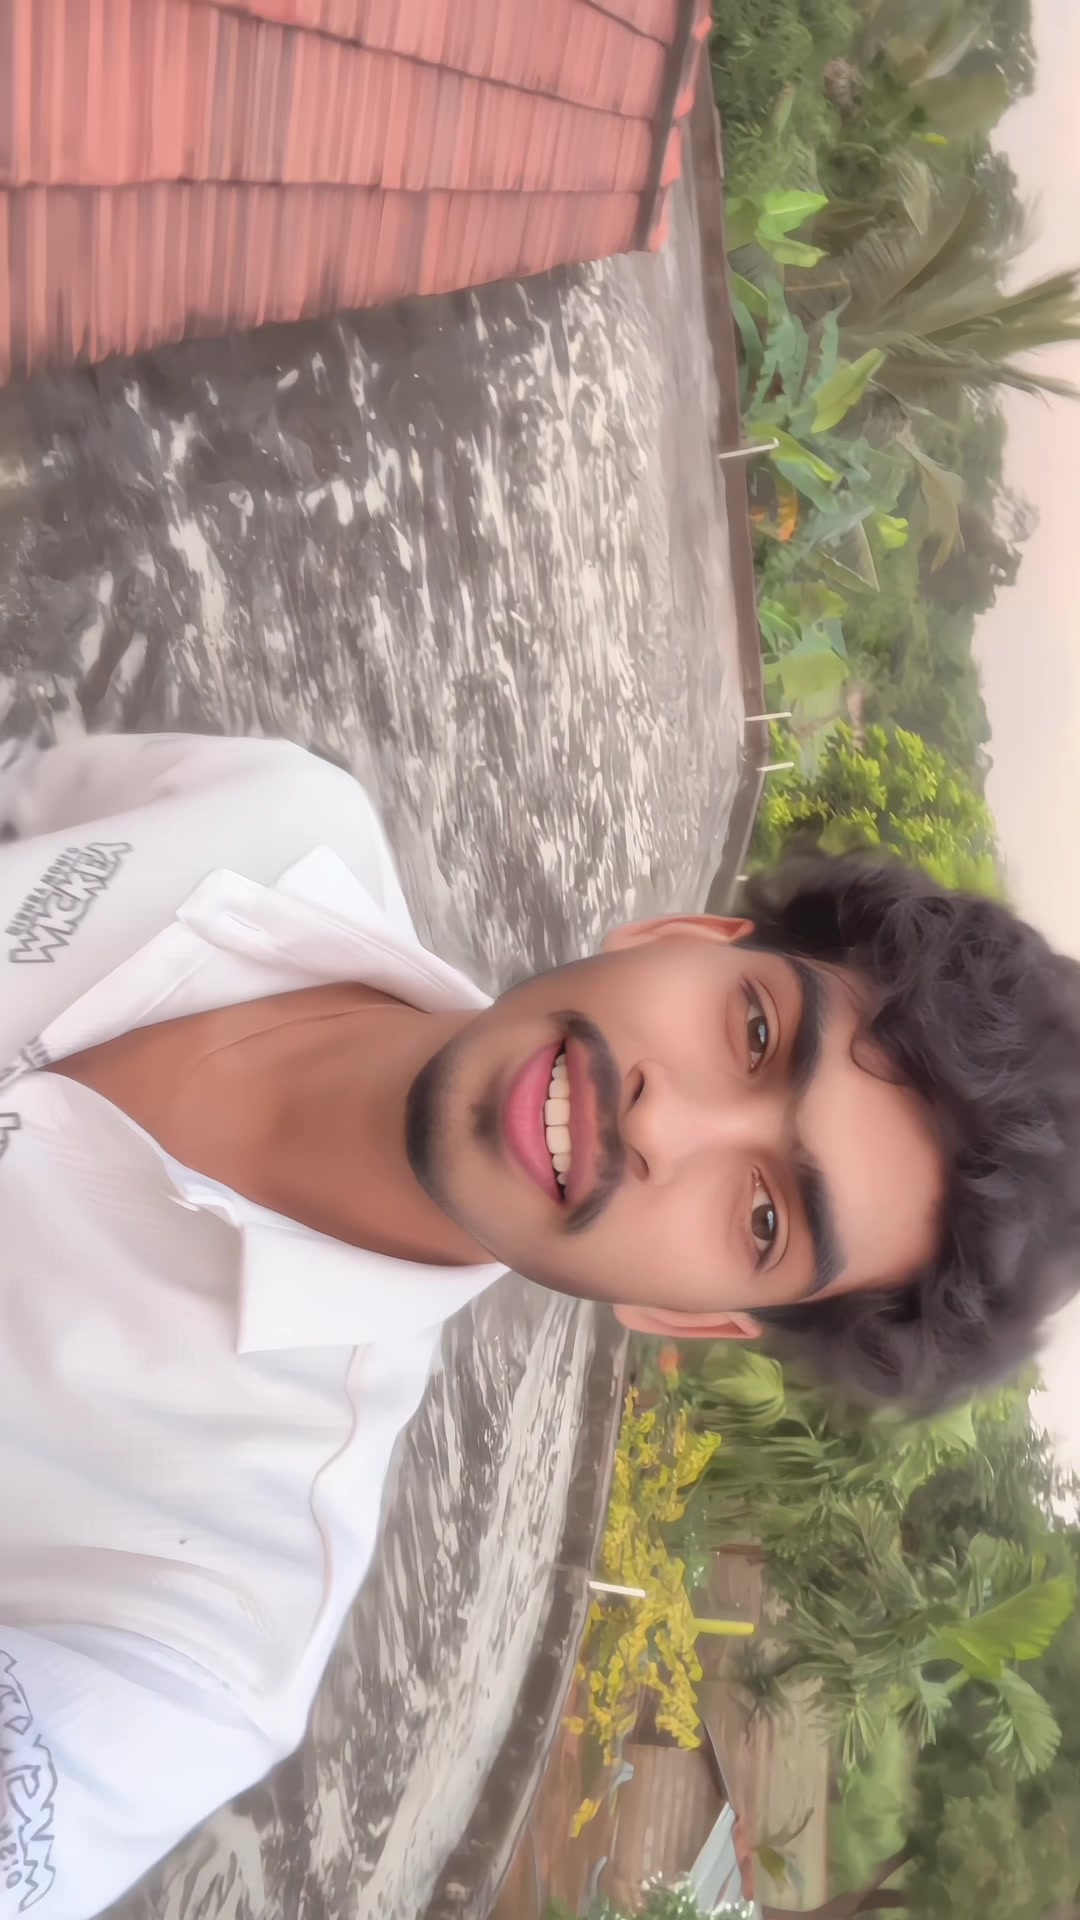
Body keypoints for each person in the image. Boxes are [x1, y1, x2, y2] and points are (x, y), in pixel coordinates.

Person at [1, 730, 1078, 1920]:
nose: (665, 1125)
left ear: (690, 1315)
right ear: (677, 937)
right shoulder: (277, 812)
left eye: (765, 1216)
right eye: (756, 1035)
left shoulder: (205, 1631)